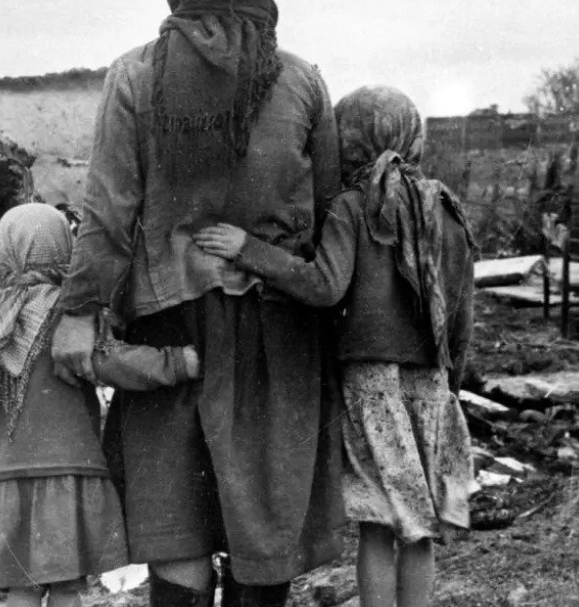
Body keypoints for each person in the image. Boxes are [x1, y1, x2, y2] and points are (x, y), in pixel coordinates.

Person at [51, 1, 344, 605]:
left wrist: (79, 311)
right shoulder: (303, 81)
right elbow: (328, 210)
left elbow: (108, 209)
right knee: (263, 524)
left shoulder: (134, 75)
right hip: (278, 336)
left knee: (176, 523)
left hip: (169, 331)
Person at [194, 85, 475, 607]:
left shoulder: (354, 205)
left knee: (377, 523)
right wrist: (450, 386)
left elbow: (324, 286)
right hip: (433, 385)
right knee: (420, 526)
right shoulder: (446, 209)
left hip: (371, 385)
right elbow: (461, 315)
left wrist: (250, 250)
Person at [0, 203, 202, 607]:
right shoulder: (72, 318)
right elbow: (114, 362)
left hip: (9, 482)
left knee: (23, 588)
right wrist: (177, 362)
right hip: (72, 480)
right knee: (66, 589)